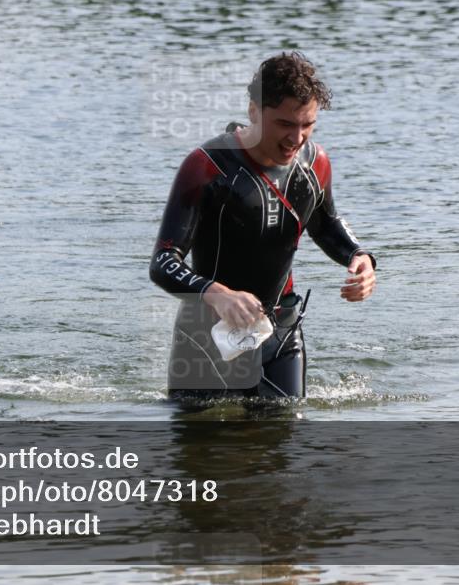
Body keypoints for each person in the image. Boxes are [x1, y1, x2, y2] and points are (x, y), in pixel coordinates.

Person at [149, 52, 376, 400]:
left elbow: (325, 223)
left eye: (308, 124)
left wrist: (359, 256)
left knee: (285, 431)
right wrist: (218, 294)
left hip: (280, 328)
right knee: (201, 446)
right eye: (285, 124)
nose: (297, 137)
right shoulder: (207, 167)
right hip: (207, 335)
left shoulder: (315, 164)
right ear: (254, 111)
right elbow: (163, 262)